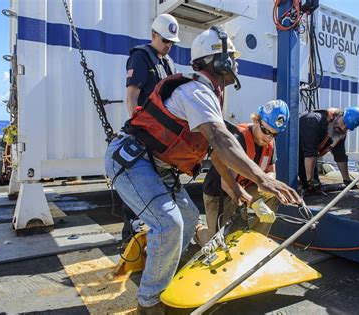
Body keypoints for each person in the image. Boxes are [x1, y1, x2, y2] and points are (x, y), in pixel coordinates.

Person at [105, 26, 302, 314]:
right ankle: (150, 301)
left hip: (154, 165)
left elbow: (213, 151)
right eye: (231, 58)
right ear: (218, 60)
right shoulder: (196, 90)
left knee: (185, 217)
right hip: (132, 161)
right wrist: (262, 180)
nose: (235, 64)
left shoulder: (208, 95)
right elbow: (221, 141)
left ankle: (163, 271)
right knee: (169, 223)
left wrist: (237, 191)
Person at [121, 13, 180, 241]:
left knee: (161, 184)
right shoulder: (141, 57)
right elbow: (132, 95)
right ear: (153, 34)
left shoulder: (168, 63)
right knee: (140, 183)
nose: (168, 46)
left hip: (163, 136)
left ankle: (160, 234)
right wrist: (136, 127)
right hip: (145, 133)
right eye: (165, 40)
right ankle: (132, 237)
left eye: (171, 43)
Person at [201, 100, 290, 242]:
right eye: (266, 131)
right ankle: (198, 231)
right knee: (216, 243)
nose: (268, 137)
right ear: (256, 120)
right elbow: (227, 184)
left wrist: (266, 185)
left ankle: (254, 240)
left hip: (245, 187)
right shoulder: (238, 139)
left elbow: (271, 172)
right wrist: (252, 202)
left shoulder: (269, 142)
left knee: (274, 194)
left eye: (274, 134)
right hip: (220, 192)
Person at [298, 107, 359, 193]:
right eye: (343, 122)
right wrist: (310, 181)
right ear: (339, 115)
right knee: (307, 186)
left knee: (314, 187)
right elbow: (310, 153)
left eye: (347, 127)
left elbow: (340, 155)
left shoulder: (339, 132)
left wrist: (347, 180)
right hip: (290, 153)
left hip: (308, 157)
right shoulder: (313, 120)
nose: (343, 128)